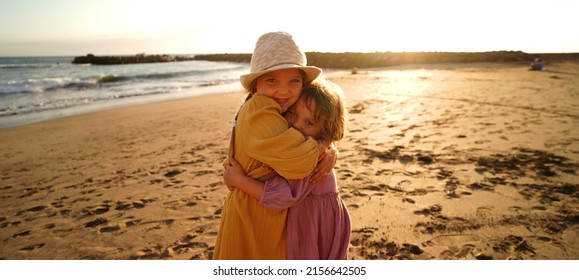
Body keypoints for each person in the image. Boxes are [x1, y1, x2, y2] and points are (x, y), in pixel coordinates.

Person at [213, 32, 337, 260]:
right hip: (254, 216)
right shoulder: (259, 110)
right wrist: (323, 146)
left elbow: (309, 130)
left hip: (267, 209)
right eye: (272, 80)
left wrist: (330, 149)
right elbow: (299, 162)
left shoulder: (277, 108)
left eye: (294, 81)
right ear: (255, 84)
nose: (284, 90)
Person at [224, 79, 351, 260]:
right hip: (321, 217)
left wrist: (239, 180)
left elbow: (284, 195)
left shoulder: (305, 157)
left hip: (313, 224)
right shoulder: (314, 144)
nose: (297, 125)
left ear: (325, 130)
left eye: (309, 122)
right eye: (292, 113)